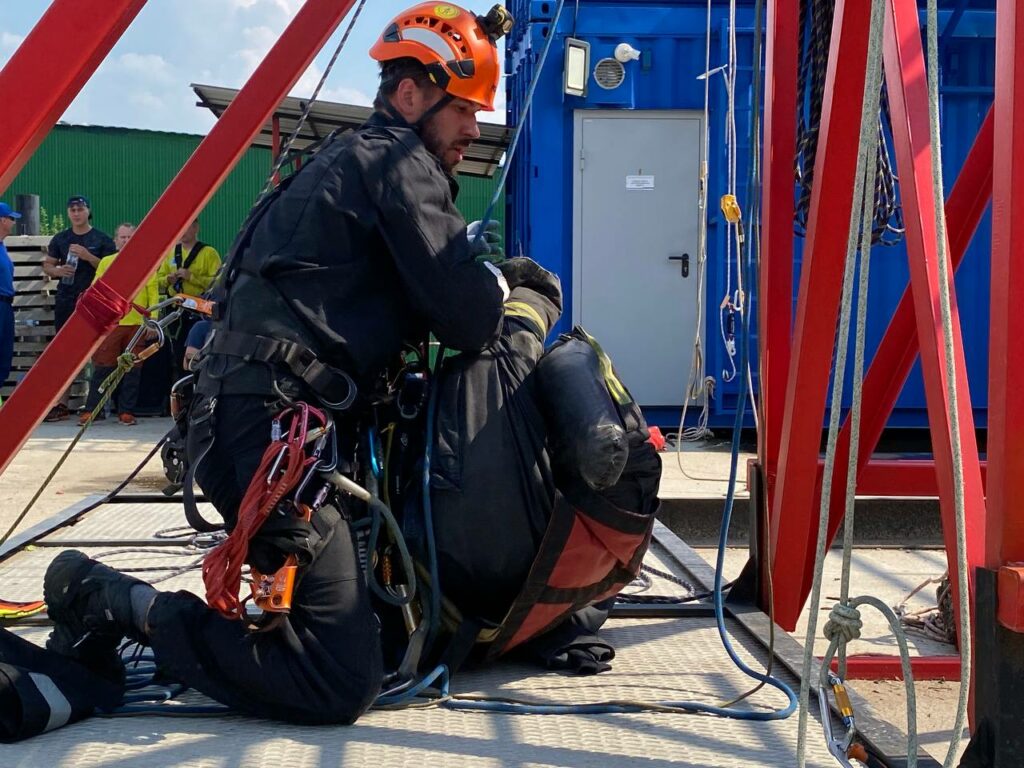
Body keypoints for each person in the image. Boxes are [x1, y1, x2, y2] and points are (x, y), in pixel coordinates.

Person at [42, 2, 537, 726]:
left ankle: (229, 617)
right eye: (465, 110)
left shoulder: (344, 166)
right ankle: (118, 602)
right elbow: (469, 317)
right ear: (411, 95)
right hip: (271, 440)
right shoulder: (398, 162)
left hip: (253, 427)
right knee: (338, 680)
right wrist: (508, 283)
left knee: (365, 624)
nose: (474, 129)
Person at [42, 196, 116, 421]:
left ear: (88, 211)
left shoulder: (101, 239)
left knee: (99, 352)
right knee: (64, 352)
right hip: (66, 300)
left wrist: (88, 256)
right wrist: (58, 271)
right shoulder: (61, 238)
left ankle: (95, 403)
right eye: (72, 210)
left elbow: (111, 267)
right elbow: (47, 265)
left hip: (94, 303)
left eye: (80, 209)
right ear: (68, 213)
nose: (76, 213)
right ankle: (61, 404)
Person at [78, 223, 160, 426]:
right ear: (115, 240)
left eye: (130, 237)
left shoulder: (147, 264)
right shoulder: (106, 262)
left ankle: (126, 411)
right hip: (112, 324)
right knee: (103, 367)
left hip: (137, 325)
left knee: (133, 370)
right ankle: (92, 410)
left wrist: (153, 321)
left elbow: (154, 294)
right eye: (122, 237)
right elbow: (95, 290)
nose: (125, 241)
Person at [156, 219, 221, 381]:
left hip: (199, 309)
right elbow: (157, 280)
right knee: (177, 351)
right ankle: (181, 391)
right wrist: (168, 280)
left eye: (187, 228)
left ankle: (198, 383)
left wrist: (192, 277)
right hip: (176, 309)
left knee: (198, 348)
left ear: (196, 228)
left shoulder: (208, 253)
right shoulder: (171, 252)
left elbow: (218, 282)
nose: (183, 232)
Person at [0, 202, 21, 404]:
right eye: (11, 218)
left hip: (6, 306)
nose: (13, 222)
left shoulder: (2, 246)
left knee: (4, 356)